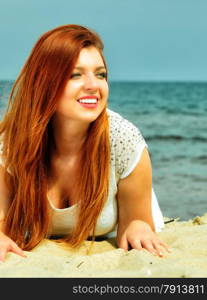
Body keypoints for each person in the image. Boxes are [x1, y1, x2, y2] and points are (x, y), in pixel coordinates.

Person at [0, 24, 169, 262]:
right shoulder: (12, 142)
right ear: (44, 83)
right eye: (75, 75)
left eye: (100, 74)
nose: (93, 85)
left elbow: (137, 221)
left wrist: (137, 227)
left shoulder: (124, 140)